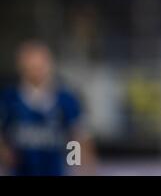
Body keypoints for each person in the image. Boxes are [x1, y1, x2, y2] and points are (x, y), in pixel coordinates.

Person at [0, 40, 95, 176]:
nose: (36, 70)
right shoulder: (8, 98)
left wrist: (80, 165)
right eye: (31, 66)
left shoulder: (66, 99)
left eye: (40, 65)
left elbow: (79, 138)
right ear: (21, 66)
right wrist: (4, 152)